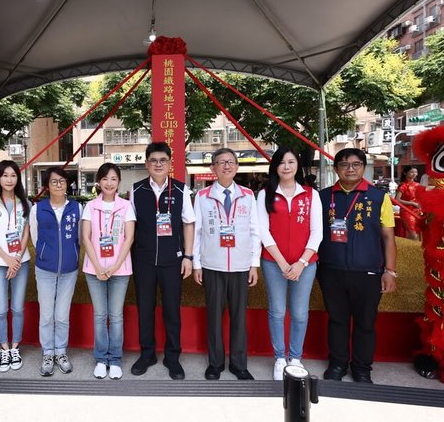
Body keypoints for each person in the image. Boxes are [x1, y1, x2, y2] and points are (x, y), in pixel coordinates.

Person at [318, 148, 397, 384]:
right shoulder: (322, 197)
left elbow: (388, 237)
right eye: (344, 165)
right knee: (337, 320)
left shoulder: (378, 197)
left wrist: (390, 271)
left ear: (364, 167)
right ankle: (338, 363)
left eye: (355, 164)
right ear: (336, 169)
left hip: (368, 272)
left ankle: (362, 368)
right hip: (331, 270)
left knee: (365, 323)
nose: (350, 169)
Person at [193, 148, 260, 380]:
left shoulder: (248, 195)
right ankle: (215, 364)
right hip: (213, 266)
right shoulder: (202, 197)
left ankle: (239, 364)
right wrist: (196, 265)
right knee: (214, 317)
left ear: (237, 167)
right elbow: (197, 233)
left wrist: (254, 264)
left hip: (241, 266)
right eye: (221, 162)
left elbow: (255, 231)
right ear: (213, 168)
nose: (226, 166)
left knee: (239, 318)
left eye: (230, 162)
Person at [130, 141, 195, 380]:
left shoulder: (180, 190)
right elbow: (130, 228)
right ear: (147, 164)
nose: (158, 164)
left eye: (163, 160)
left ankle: (172, 357)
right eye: (153, 161)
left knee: (171, 311)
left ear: (169, 164)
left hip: (172, 261)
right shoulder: (136, 191)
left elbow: (189, 223)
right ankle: (147, 353)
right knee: (145, 309)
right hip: (144, 260)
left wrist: (188, 256)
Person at [257, 147, 323, 380]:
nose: (286, 166)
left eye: (291, 161)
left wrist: (301, 263)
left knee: (299, 312)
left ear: (297, 166)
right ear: (275, 166)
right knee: (276, 311)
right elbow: (262, 231)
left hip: (305, 265)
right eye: (282, 162)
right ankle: (279, 358)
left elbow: (317, 232)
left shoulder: (310, 194)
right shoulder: (265, 193)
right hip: (274, 263)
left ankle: (295, 357)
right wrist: (284, 263)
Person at [81, 163, 135, 379]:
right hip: (94, 270)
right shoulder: (90, 206)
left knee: (116, 315)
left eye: (113, 179)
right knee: (100, 315)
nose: (109, 183)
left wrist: (113, 266)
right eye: (105, 179)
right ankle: (101, 359)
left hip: (120, 270)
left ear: (118, 182)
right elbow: (86, 237)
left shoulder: (126, 206)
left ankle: (115, 359)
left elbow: (129, 238)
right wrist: (97, 266)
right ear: (99, 182)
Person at [29, 167, 82, 376]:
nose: (59, 185)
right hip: (45, 269)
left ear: (67, 183)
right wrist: (44, 253)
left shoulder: (77, 208)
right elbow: (34, 236)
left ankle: (61, 351)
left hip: (69, 269)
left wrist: (73, 255)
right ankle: (48, 352)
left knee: (61, 315)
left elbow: (80, 237)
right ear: (47, 186)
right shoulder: (38, 209)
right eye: (54, 182)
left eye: (62, 181)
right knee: (46, 315)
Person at [0, 160, 31, 373]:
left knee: (17, 308)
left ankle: (15, 346)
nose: (9, 179)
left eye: (13, 175)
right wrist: (7, 259)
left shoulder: (25, 203)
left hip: (21, 262)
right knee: (0, 309)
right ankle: (4, 348)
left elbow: (26, 233)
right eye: (5, 175)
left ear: (17, 178)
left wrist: (17, 258)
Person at [395, 166, 422, 240]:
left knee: (416, 234)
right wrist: (411, 203)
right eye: (412, 172)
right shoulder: (403, 185)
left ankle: (410, 250)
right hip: (407, 211)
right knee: (413, 234)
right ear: (405, 173)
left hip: (418, 211)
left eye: (416, 172)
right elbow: (397, 200)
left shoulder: (418, 185)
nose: (414, 174)